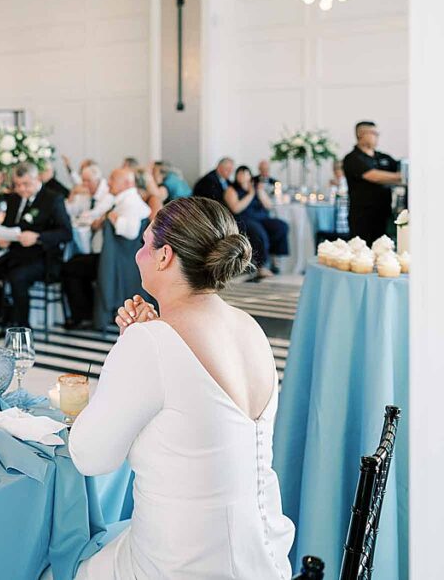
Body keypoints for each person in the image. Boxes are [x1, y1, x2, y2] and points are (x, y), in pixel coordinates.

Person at [68, 196, 294, 579]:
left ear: (164, 256)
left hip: (183, 565)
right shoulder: (248, 326)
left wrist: (131, 347)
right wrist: (141, 340)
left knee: (51, 563)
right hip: (264, 558)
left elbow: (91, 457)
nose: (139, 254)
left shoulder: (152, 344)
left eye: (144, 244)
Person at [0, 163, 73, 328]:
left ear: (37, 179)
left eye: (26, 184)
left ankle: (22, 328)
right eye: (17, 184)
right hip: (16, 254)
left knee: (16, 277)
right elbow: (7, 227)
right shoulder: (13, 199)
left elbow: (66, 233)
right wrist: (3, 239)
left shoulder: (52, 199)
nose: (21, 189)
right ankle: (6, 313)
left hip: (43, 256)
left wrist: (38, 237)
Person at [62, 167, 151, 330]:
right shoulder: (120, 199)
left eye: (112, 179)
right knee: (74, 264)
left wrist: (112, 217)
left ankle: (84, 315)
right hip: (116, 258)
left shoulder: (130, 202)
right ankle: (86, 313)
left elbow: (131, 232)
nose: (108, 183)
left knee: (71, 267)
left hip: (121, 263)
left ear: (127, 183)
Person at [342, 121, 401, 245]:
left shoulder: (383, 157)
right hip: (362, 217)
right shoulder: (352, 158)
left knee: (383, 251)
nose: (377, 136)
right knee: (362, 252)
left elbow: (401, 167)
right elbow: (373, 176)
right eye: (373, 133)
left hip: (383, 214)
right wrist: (401, 177)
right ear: (360, 134)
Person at [224, 165, 288, 279]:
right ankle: (261, 266)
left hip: (261, 217)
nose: (243, 176)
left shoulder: (256, 187)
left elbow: (268, 206)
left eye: (246, 173)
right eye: (240, 173)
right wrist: (250, 194)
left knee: (281, 226)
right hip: (244, 219)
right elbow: (236, 208)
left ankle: (275, 259)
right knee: (259, 232)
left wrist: (259, 191)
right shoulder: (231, 190)